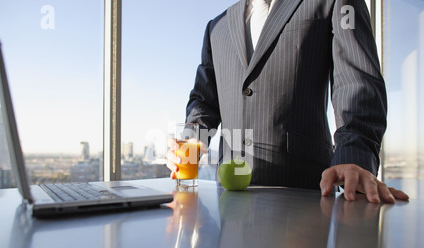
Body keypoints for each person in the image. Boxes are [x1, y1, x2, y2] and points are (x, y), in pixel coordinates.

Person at [166, 0, 409, 203]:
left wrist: (354, 161)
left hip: (304, 195)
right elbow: (204, 101)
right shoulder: (216, 27)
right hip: (230, 199)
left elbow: (357, 84)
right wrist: (191, 142)